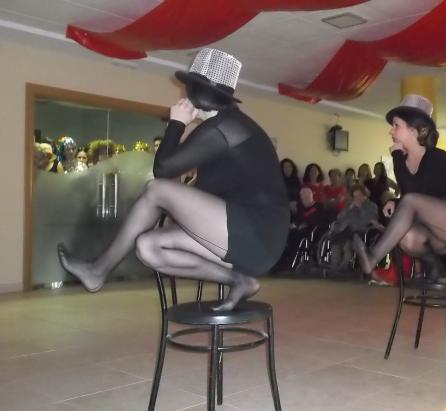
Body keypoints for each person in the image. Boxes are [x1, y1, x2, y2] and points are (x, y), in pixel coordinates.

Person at [58, 48, 289, 311]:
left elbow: (163, 171)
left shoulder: (226, 128)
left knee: (156, 189)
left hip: (258, 231)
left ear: (195, 91)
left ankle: (98, 271)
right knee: (147, 247)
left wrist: (176, 123)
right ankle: (239, 281)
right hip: (241, 232)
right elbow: (194, 189)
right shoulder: (218, 128)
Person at [364, 94, 446, 283]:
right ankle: (433, 264)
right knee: (406, 238)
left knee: (410, 201)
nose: (391, 131)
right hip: (433, 233)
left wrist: (397, 157)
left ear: (416, 130)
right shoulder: (404, 160)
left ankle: (372, 257)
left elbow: (415, 194)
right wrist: (395, 201)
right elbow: (415, 193)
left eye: (396, 125)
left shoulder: (437, 157)